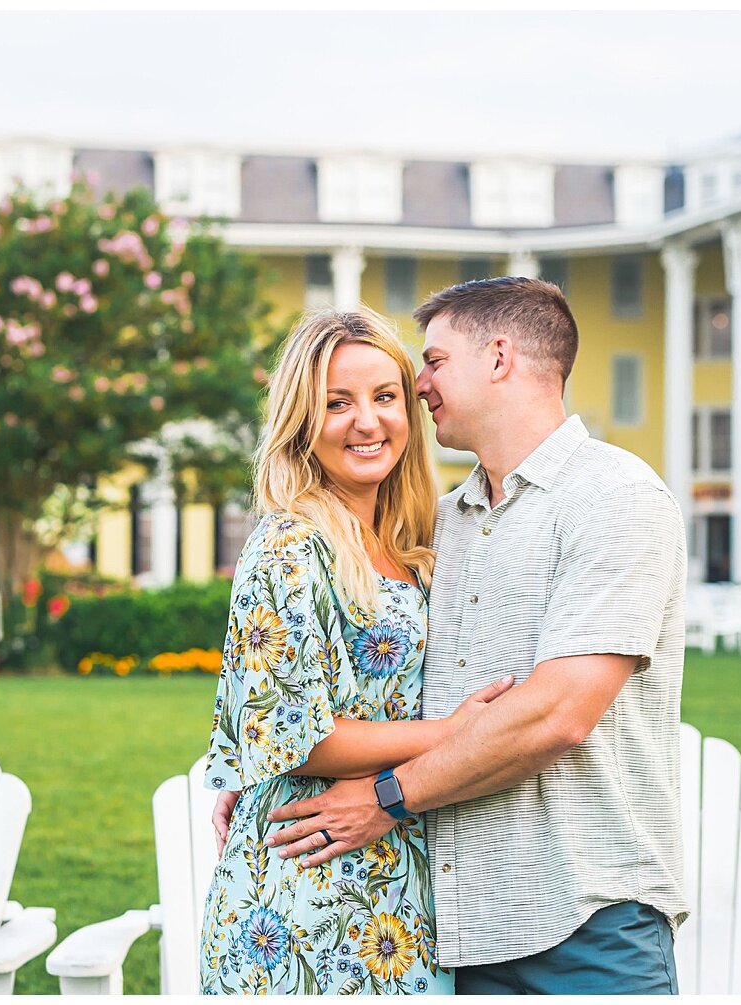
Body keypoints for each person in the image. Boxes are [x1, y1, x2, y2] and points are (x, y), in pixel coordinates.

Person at [253, 278, 689, 994]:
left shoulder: (614, 496)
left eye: (434, 360)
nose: (418, 383)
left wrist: (386, 796)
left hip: (588, 920)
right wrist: (271, 768)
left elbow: (560, 713)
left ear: (498, 356)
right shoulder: (441, 526)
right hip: (458, 926)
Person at [198, 307, 511, 995]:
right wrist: (454, 733)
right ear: (302, 420)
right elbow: (294, 735)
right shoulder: (289, 547)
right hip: (304, 888)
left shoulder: (417, 547)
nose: (366, 421)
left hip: (401, 876)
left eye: (384, 397)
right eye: (336, 403)